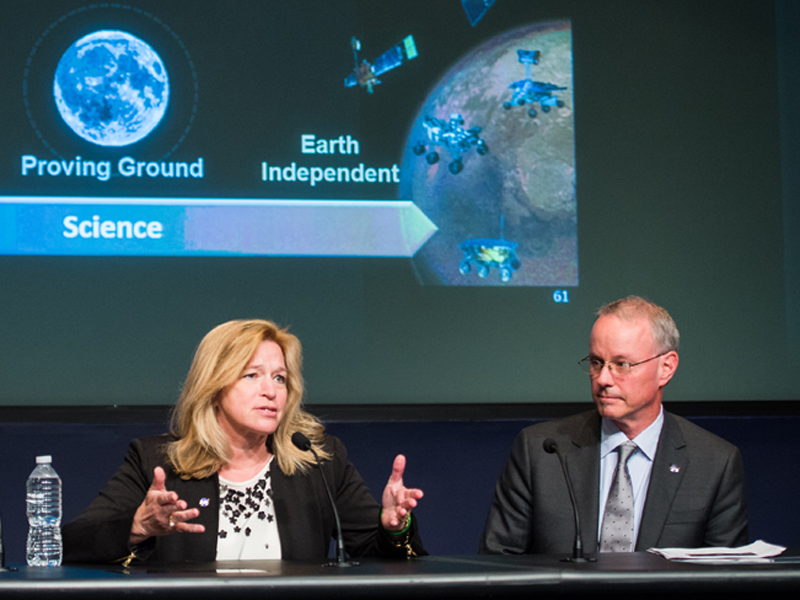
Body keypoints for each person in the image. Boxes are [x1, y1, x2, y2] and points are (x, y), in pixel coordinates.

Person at [63, 319, 425, 563]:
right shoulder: (158, 461)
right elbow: (72, 544)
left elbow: (386, 557)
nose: (270, 391)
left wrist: (394, 525)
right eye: (252, 376)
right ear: (214, 386)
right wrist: (139, 526)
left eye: (280, 378)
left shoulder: (318, 460)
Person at [479, 296, 748, 555]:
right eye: (597, 363)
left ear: (666, 367)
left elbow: (726, 579)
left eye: (622, 364)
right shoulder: (540, 451)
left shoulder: (714, 463)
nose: (603, 378)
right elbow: (499, 563)